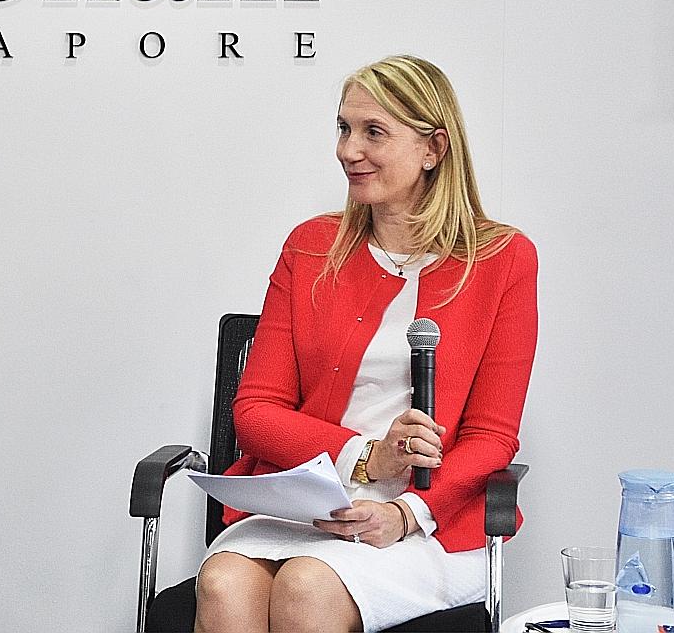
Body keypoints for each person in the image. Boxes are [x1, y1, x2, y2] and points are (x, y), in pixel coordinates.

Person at [194, 55, 537, 633]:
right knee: (224, 582)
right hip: (308, 507)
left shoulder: (504, 260)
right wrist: (366, 456)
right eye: (344, 128)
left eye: (374, 132)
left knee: (307, 585)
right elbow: (254, 413)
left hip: (425, 523)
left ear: (434, 148)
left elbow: (492, 436)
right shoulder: (311, 247)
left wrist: (406, 512)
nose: (349, 149)